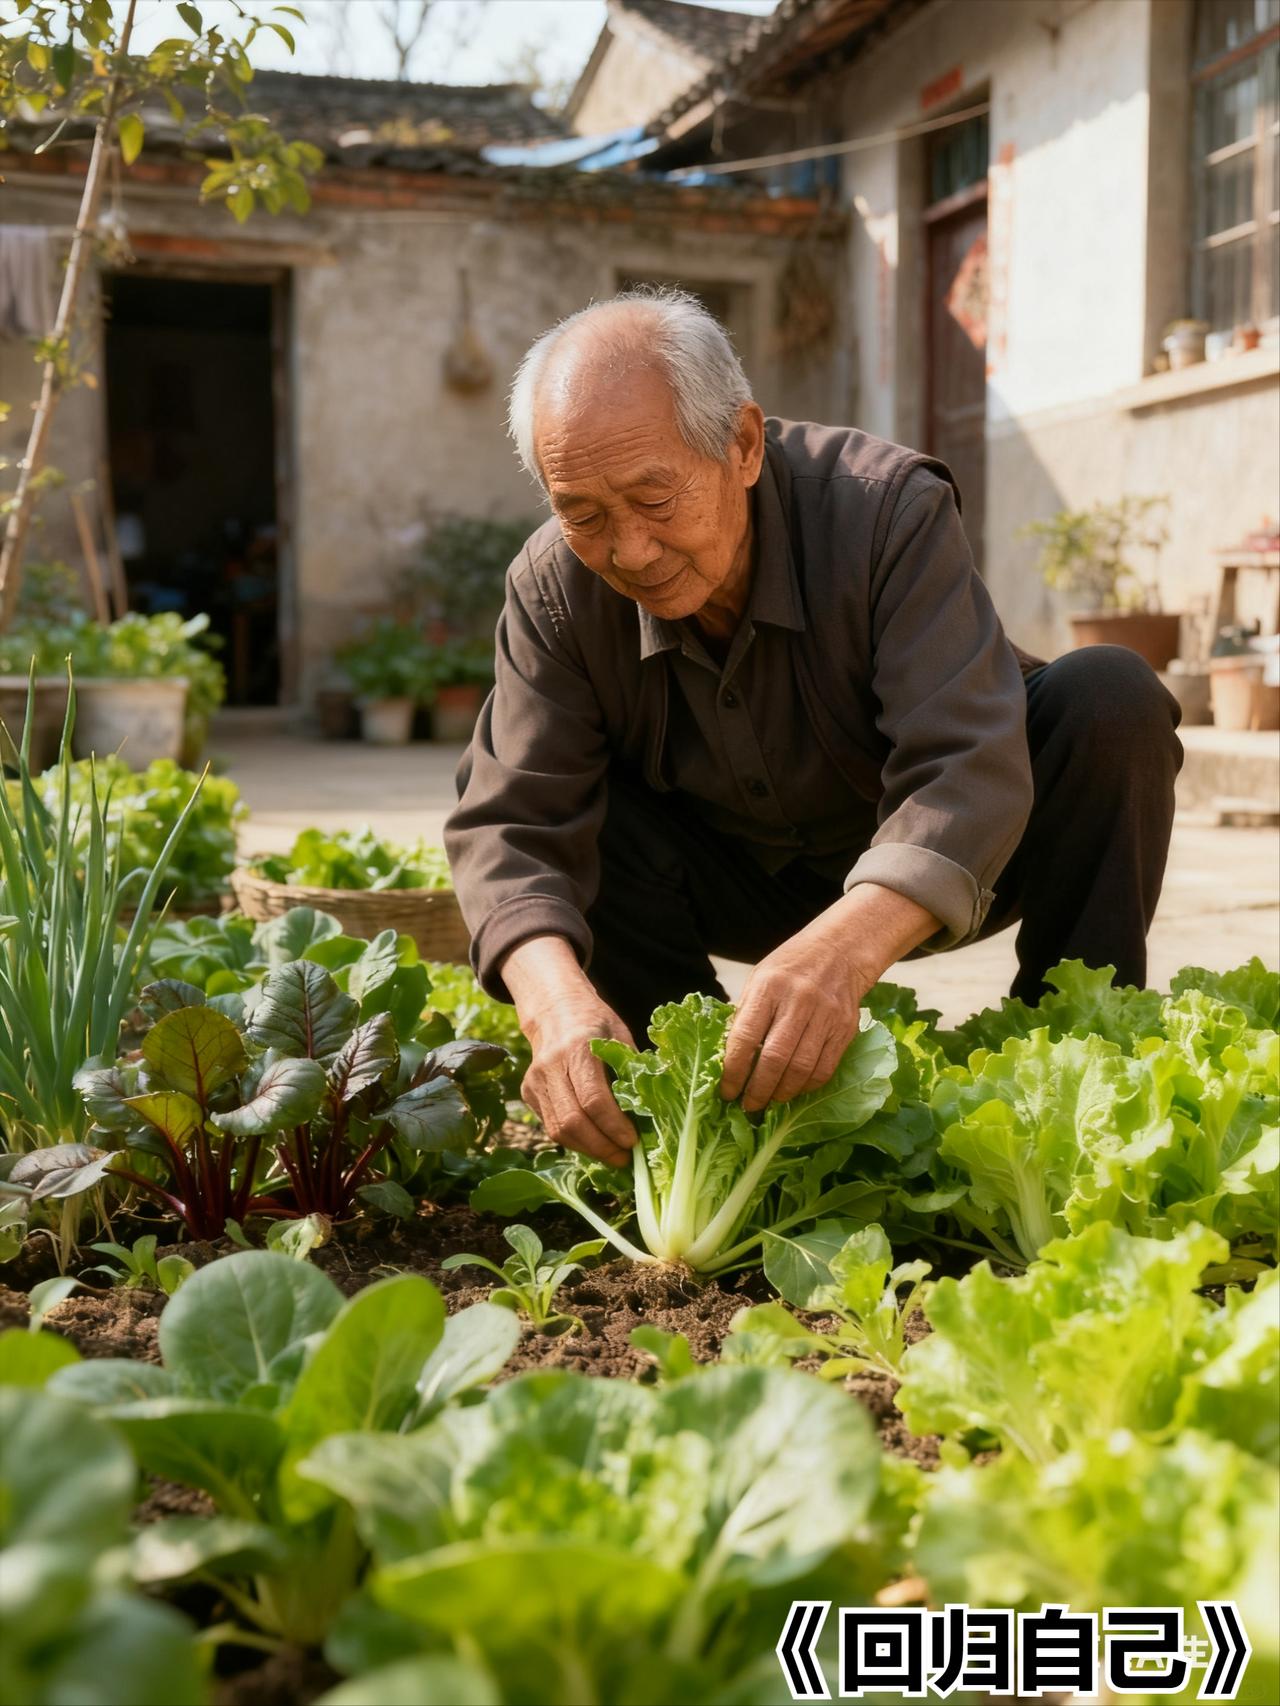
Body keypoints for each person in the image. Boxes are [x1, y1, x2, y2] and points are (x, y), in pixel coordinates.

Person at [444, 289, 1182, 1167]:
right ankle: (694, 1112)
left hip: (960, 858)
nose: (630, 550)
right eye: (584, 514)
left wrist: (844, 950)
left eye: (656, 497)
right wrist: (552, 1003)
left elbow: (964, 763)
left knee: (1111, 697)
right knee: (578, 836)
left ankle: (1077, 1069)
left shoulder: (884, 511)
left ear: (744, 445)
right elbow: (511, 823)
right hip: (732, 878)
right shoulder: (553, 589)